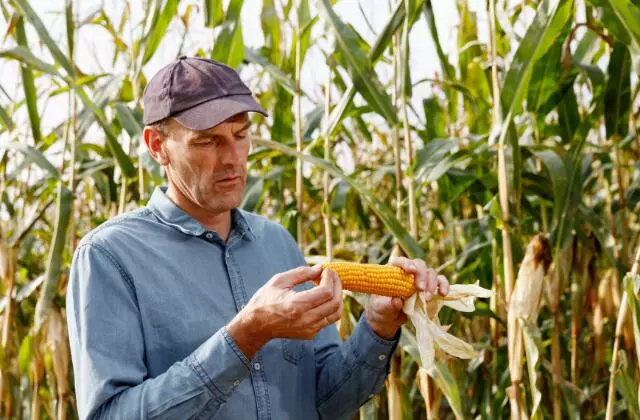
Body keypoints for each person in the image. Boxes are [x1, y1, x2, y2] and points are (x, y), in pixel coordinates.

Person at [66, 56, 450, 420]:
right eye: (207, 141)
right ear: (157, 147)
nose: (233, 157)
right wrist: (246, 335)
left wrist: (378, 326)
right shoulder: (109, 257)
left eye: (241, 135)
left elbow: (327, 404)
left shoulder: (277, 243)